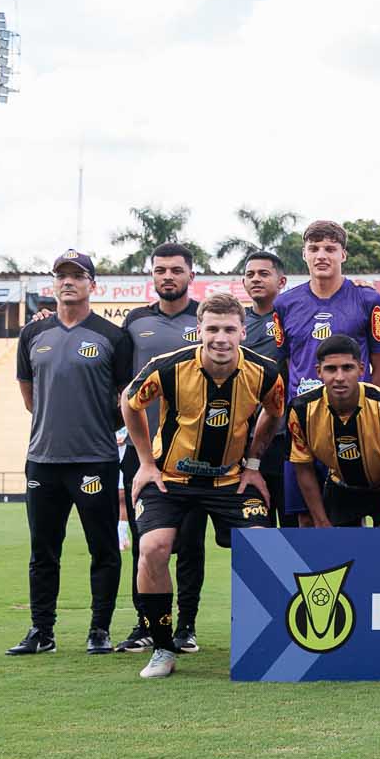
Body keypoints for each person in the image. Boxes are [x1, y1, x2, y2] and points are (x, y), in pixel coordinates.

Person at [120, 292, 286, 679]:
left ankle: (263, 643)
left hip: (230, 480)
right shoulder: (168, 367)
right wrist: (146, 463)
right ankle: (163, 648)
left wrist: (254, 464)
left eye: (229, 329)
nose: (220, 338)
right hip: (170, 478)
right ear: (199, 331)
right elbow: (130, 403)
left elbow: (274, 411)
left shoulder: (265, 372)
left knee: (264, 546)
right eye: (212, 329)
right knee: (153, 549)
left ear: (243, 332)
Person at [10, 251, 133, 655]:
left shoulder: (112, 336)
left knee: (103, 548)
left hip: (95, 459)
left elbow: (126, 400)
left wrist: (94, 426)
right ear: (53, 283)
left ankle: (99, 630)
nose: (68, 282)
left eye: (77, 276)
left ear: (92, 285)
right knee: (43, 550)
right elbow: (30, 397)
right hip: (43, 460)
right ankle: (41, 631)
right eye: (61, 276)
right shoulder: (33, 334)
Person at [115, 242, 213, 653]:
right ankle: (146, 624)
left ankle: (186, 626)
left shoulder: (206, 320)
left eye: (175, 270)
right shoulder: (135, 321)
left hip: (193, 453)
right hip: (144, 454)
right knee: (146, 543)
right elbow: (123, 386)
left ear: (192, 275)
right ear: (152, 275)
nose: (167, 276)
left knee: (190, 543)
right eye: (160, 270)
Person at [272, 219, 380, 523]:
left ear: (343, 254)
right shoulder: (284, 304)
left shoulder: (369, 300)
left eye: (330, 248)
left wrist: (359, 411)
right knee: (305, 518)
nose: (321, 255)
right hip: (303, 425)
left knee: (351, 518)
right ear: (304, 254)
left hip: (352, 425)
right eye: (314, 248)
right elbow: (285, 365)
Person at [287, 335, 380, 528]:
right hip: (341, 487)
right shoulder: (301, 409)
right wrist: (321, 522)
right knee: (336, 546)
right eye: (331, 369)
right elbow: (303, 468)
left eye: (347, 368)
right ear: (319, 372)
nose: (339, 377)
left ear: (361, 369)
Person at [239, 249, 291, 522]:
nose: (256, 279)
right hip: (245, 438)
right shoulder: (236, 323)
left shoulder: (294, 316)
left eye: (263, 273)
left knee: (295, 524)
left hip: (288, 437)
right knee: (257, 523)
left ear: (281, 281)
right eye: (250, 275)